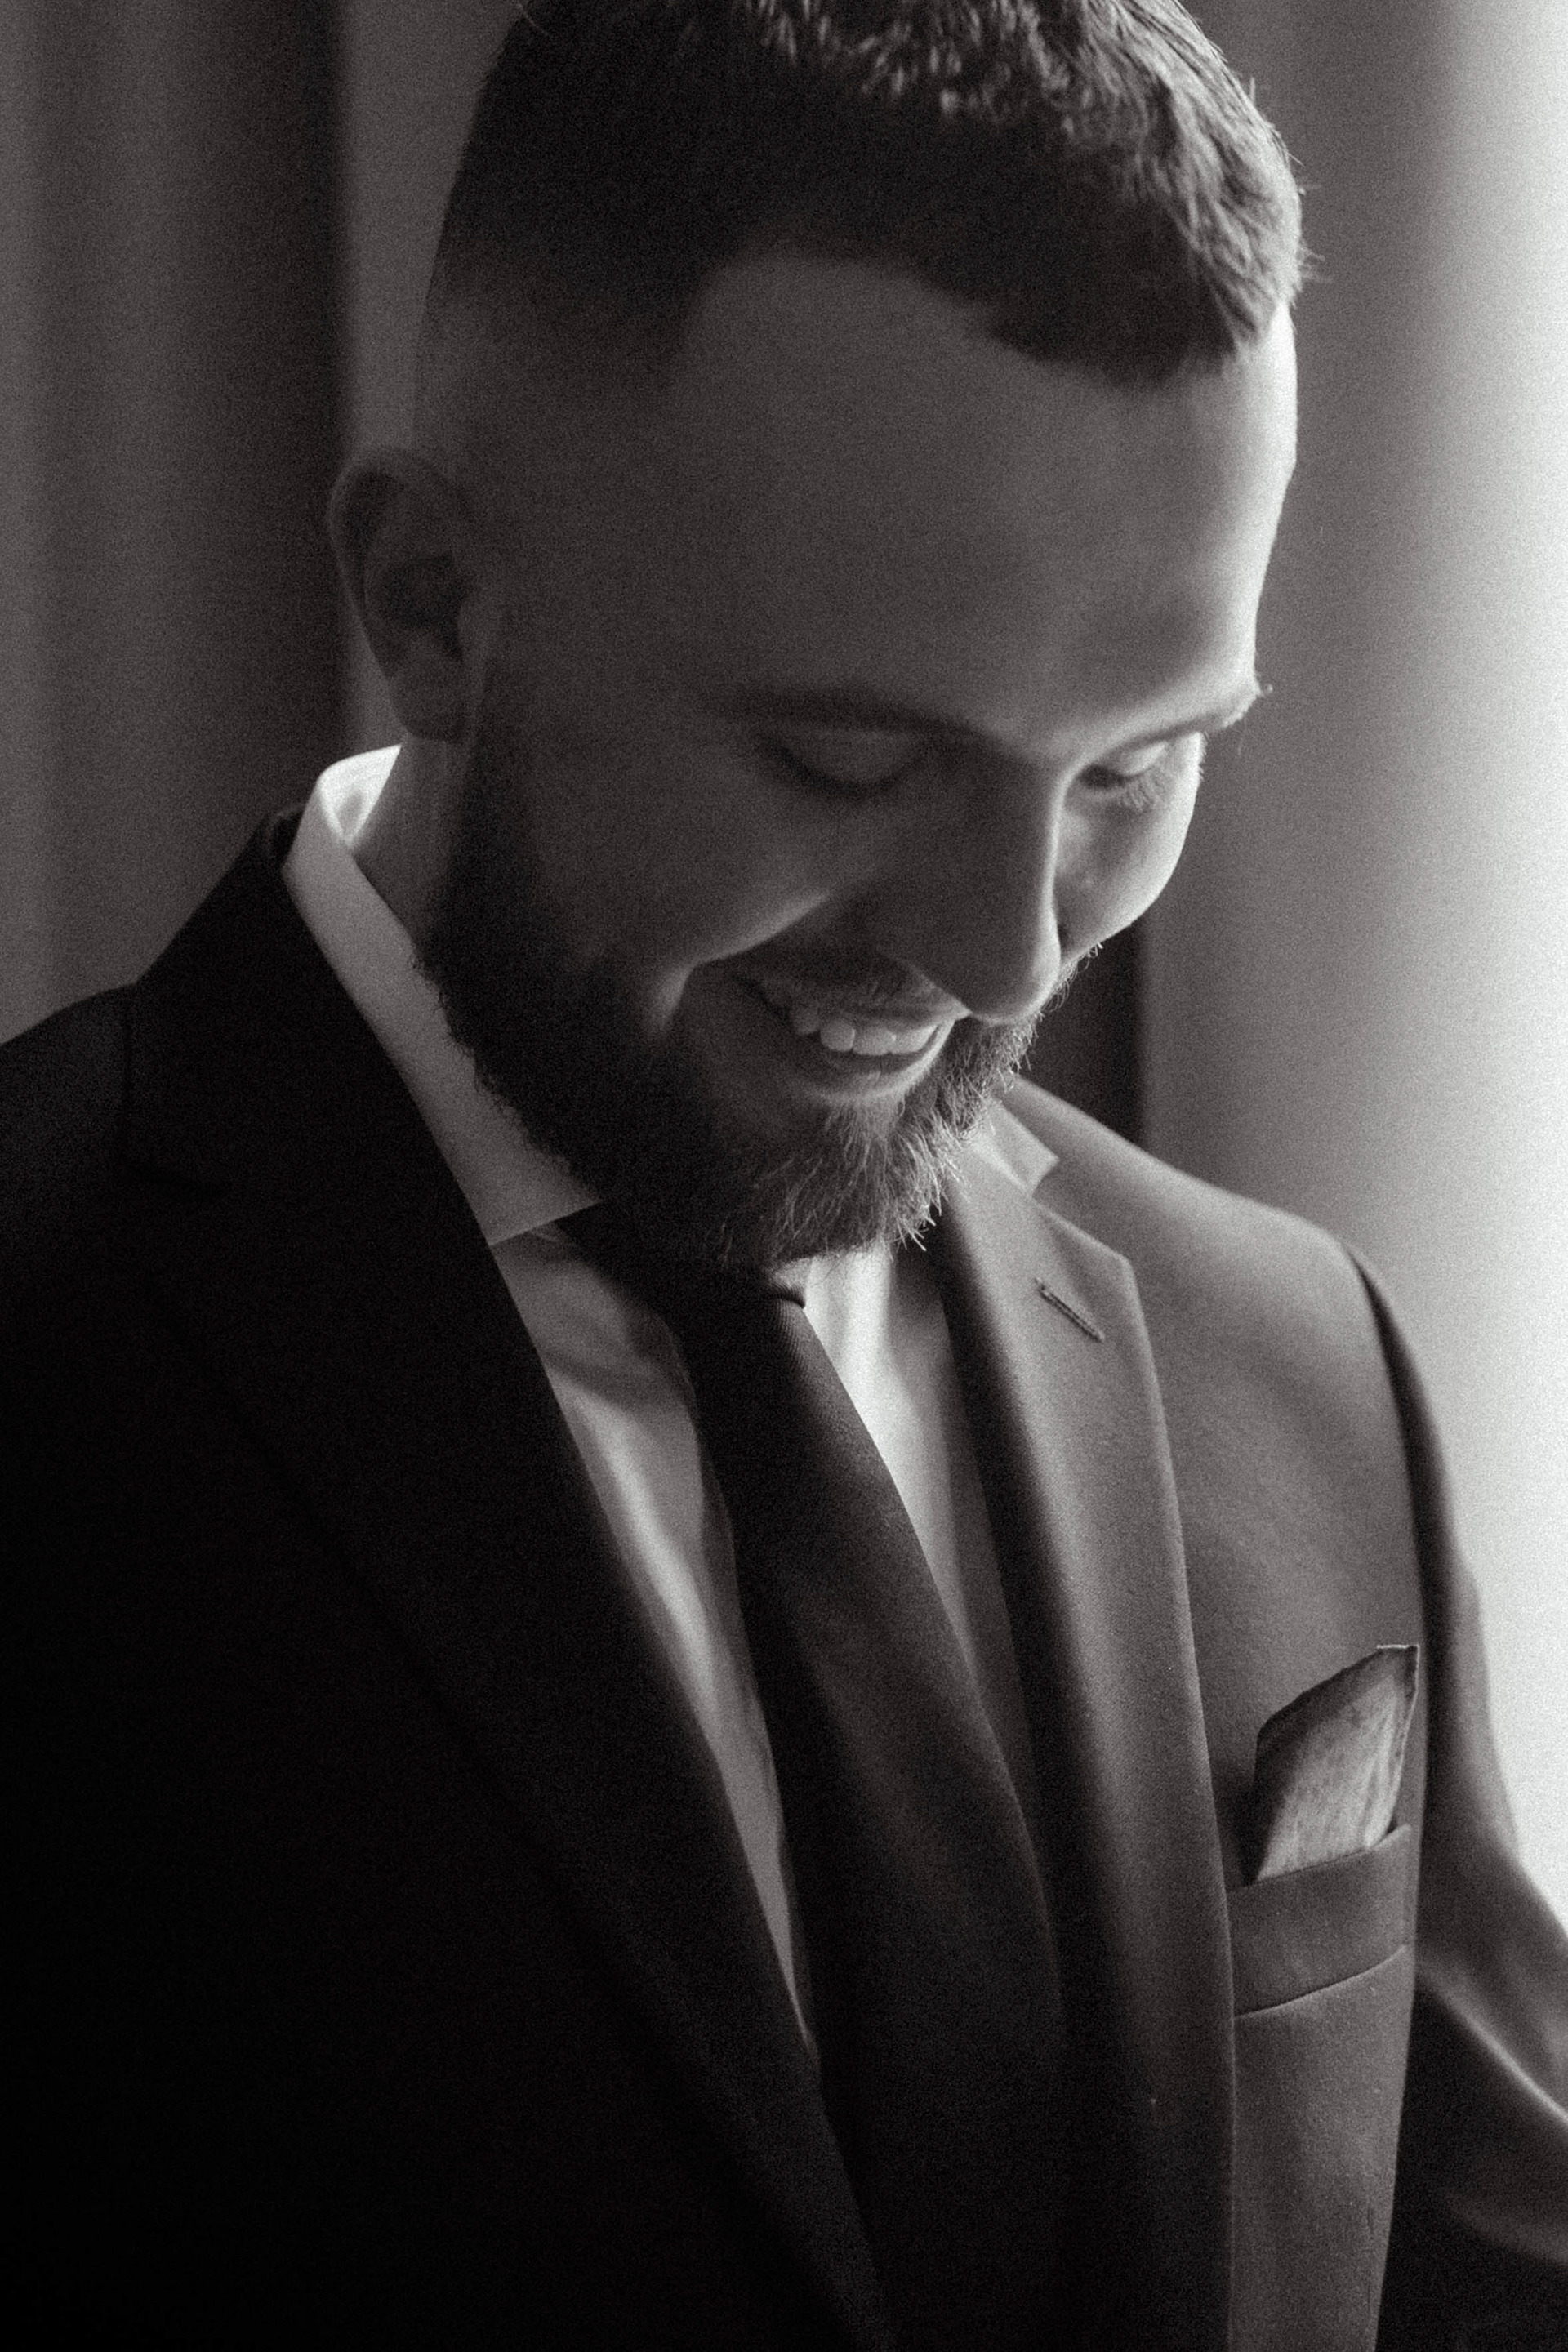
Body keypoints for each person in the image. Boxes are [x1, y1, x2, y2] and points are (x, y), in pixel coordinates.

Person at [6, 3, 1566, 2345]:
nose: (1007, 955)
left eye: (1137, 772)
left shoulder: (1298, 1363)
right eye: (852, 764)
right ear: (429, 600)